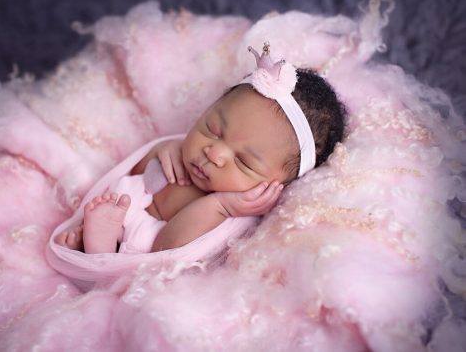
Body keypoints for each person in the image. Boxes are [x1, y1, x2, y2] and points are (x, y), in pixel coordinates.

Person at [54, 41, 348, 254]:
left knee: (149, 242)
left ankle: (102, 248)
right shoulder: (187, 153)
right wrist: (162, 152)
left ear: (276, 184)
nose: (214, 153)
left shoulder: (237, 207)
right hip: (125, 203)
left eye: (244, 162)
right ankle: (97, 235)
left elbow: (167, 248)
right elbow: (140, 172)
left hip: (149, 240)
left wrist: (221, 205)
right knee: (131, 185)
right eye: (213, 129)